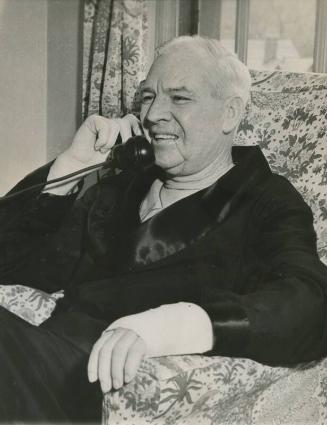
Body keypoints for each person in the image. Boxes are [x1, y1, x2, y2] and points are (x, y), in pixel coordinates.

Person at [0, 35, 327, 422]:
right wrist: (70, 167)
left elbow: (310, 300)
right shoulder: (119, 187)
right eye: (148, 97)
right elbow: (16, 266)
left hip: (99, 383)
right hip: (38, 362)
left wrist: (175, 325)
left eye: (180, 98)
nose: (153, 115)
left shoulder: (262, 199)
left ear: (230, 113)